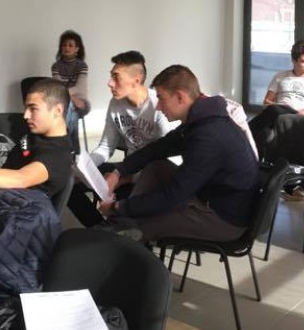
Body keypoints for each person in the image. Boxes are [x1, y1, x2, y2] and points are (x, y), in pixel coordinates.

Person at [95, 66, 259, 242]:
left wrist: (118, 207)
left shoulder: (208, 136)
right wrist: (118, 172)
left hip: (222, 218)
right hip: (208, 196)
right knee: (156, 166)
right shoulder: (200, 119)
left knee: (137, 226)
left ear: (180, 97)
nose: (158, 106)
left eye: (161, 98)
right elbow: (158, 148)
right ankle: (124, 223)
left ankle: (124, 229)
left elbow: (173, 195)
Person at [67, 51, 177, 226]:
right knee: (68, 183)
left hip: (151, 176)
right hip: (127, 169)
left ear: (136, 81)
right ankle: (99, 228)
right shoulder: (115, 104)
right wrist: (84, 169)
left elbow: (163, 162)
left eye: (116, 77)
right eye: (111, 76)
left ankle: (118, 231)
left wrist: (122, 179)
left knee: (123, 209)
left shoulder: (159, 106)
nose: (110, 83)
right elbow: (105, 147)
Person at [262, 41, 304, 119]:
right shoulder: (280, 76)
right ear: (294, 61)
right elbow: (266, 102)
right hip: (278, 114)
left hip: (299, 119)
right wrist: (281, 107)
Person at [49, 30, 90, 138]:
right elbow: (59, 88)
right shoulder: (56, 66)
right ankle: (70, 145)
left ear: (77, 49)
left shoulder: (82, 66)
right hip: (63, 101)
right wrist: (72, 98)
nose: (66, 47)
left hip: (81, 102)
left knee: (69, 109)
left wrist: (72, 98)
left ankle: (64, 142)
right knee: (70, 109)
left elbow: (79, 88)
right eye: (64, 45)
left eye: (70, 45)